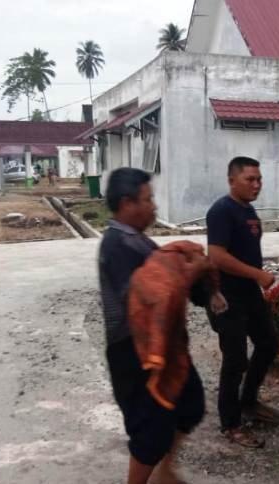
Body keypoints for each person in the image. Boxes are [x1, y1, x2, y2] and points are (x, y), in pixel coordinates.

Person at [99, 167, 211, 484]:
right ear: (126, 203)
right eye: (148, 199)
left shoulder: (141, 243)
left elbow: (171, 284)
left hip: (166, 346)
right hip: (135, 352)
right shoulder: (116, 246)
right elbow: (151, 300)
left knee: (190, 404)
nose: (154, 206)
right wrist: (191, 273)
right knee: (149, 430)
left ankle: (166, 471)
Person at [206, 156, 279, 449]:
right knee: (235, 359)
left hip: (249, 293)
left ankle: (248, 401)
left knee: (268, 344)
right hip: (226, 296)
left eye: (259, 179)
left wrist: (256, 280)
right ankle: (231, 424)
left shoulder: (248, 211)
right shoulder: (221, 211)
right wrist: (258, 275)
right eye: (250, 179)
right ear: (231, 180)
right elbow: (217, 256)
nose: (256, 184)